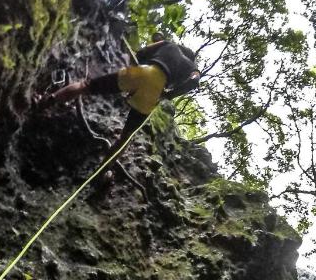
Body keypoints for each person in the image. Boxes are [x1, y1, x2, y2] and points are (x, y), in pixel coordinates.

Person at [34, 33, 201, 184]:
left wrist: (135, 70)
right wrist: (168, 95)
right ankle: (101, 173)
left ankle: (46, 101)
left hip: (145, 71)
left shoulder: (169, 44)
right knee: (125, 139)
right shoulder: (191, 68)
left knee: (86, 86)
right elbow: (194, 80)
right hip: (155, 91)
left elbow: (142, 52)